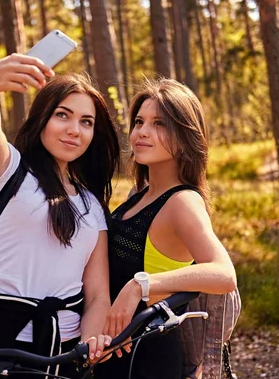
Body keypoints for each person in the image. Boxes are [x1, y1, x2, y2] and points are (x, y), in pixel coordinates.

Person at [0, 54, 120, 378]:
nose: (74, 130)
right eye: (62, 115)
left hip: (63, 349)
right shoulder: (8, 171)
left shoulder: (92, 206)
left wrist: (88, 345)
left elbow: (98, 295)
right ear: (42, 117)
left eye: (86, 122)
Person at [94, 78, 238, 379]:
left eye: (159, 124)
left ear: (185, 136)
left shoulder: (182, 201)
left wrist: (140, 285)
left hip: (149, 358)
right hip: (115, 351)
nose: (142, 132)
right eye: (139, 121)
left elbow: (224, 274)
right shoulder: (139, 195)